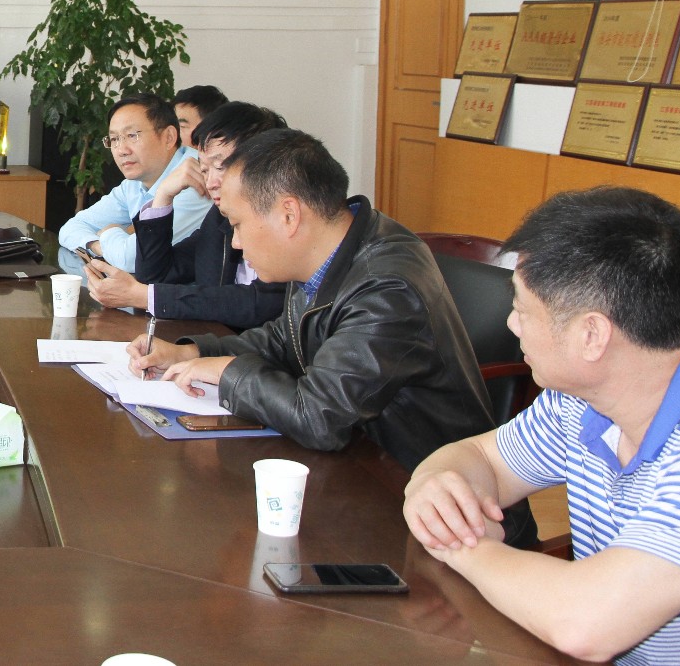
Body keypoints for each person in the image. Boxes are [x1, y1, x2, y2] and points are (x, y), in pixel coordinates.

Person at [126, 129, 526, 506]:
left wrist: (229, 371)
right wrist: (193, 353)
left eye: (237, 224)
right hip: (364, 475)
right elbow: (284, 339)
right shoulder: (330, 248)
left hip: (433, 503)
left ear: (288, 215)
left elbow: (320, 417)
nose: (236, 242)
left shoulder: (387, 288)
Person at [404, 187, 680, 664]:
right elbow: (481, 459)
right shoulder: (581, 399)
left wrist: (464, 547)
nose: (512, 324)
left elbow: (585, 623)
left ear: (591, 335)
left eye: (523, 310)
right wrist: (434, 484)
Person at [85, 101, 287, 328]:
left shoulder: (284, 223)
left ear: (263, 166)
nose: (210, 183)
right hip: (214, 344)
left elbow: (258, 303)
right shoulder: (219, 219)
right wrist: (163, 196)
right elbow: (156, 276)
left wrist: (145, 297)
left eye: (220, 167)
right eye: (204, 169)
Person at [57, 90, 218, 276]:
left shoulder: (195, 178)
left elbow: (133, 259)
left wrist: (109, 232)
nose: (121, 150)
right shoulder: (135, 182)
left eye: (132, 135)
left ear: (169, 137)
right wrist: (98, 245)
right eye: (114, 139)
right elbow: (69, 229)